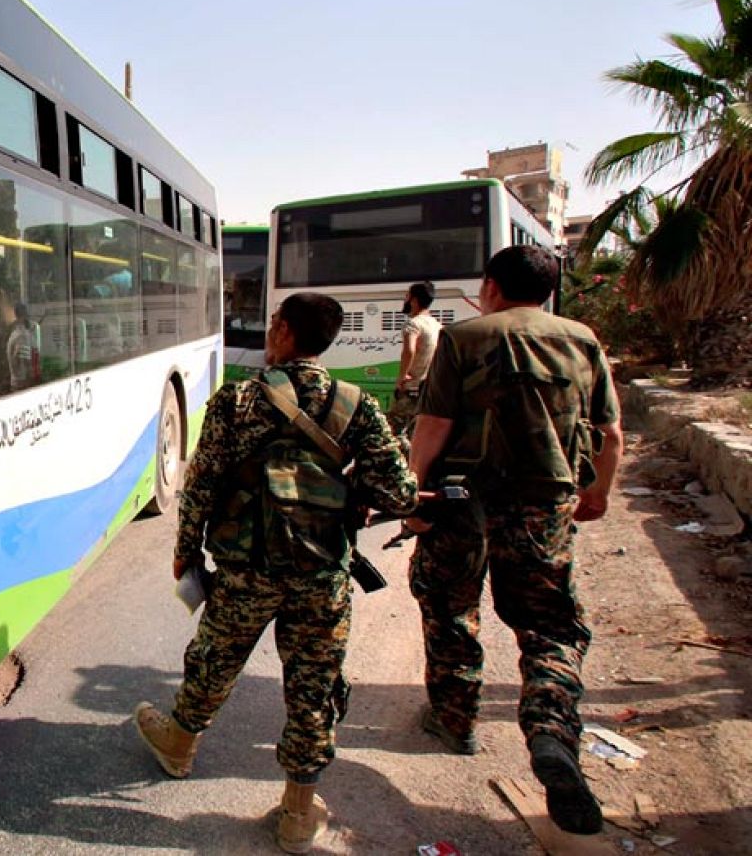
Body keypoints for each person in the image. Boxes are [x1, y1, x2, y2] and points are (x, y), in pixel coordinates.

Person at [133, 292, 417, 854]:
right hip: (322, 573)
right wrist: (347, 486)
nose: (268, 333)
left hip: (247, 569)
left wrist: (186, 550)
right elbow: (401, 493)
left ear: (285, 331)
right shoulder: (358, 405)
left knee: (214, 659)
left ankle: (179, 745)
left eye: (272, 325)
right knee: (314, 687)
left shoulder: (237, 400)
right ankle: (297, 811)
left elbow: (202, 485)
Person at [404, 245, 622, 836]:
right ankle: (551, 734)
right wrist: (598, 492)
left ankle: (455, 720)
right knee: (549, 624)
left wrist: (412, 494)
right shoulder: (582, 339)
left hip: (461, 500)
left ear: (493, 286)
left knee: (450, 605)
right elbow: (609, 431)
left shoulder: (464, 337)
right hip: (544, 504)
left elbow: (434, 425)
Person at [387, 280, 441, 442]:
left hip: (411, 388)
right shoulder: (436, 325)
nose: (405, 301)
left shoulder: (413, 324)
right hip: (428, 388)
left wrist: (402, 377)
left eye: (407, 297)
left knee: (391, 433)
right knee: (416, 433)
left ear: (414, 300)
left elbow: (409, 350)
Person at [5, 301, 40, 390]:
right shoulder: (22, 336)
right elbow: (24, 362)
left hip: (17, 383)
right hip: (22, 386)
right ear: (24, 316)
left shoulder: (14, 334)